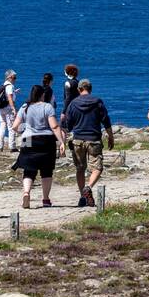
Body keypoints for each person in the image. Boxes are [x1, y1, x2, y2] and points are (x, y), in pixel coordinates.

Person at [12, 84, 66, 208]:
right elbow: (54, 126)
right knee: (46, 170)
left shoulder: (24, 107)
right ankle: (46, 199)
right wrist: (61, 142)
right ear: (42, 95)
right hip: (45, 139)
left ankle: (26, 193)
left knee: (28, 169)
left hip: (27, 139)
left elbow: (15, 127)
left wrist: (24, 130)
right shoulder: (48, 107)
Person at [62, 79, 114, 207]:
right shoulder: (97, 102)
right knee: (97, 167)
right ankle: (88, 188)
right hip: (93, 139)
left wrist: (62, 141)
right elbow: (105, 120)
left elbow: (67, 125)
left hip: (78, 139)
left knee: (80, 168)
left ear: (79, 89)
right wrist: (110, 136)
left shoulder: (73, 104)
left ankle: (82, 196)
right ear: (90, 89)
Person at [0, 69, 18, 151]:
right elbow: (10, 98)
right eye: (14, 77)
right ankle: (12, 146)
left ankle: (0, 146)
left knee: (2, 126)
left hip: (1, 109)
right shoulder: (10, 86)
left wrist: (15, 92)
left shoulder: (3, 85)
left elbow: (7, 95)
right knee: (11, 127)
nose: (15, 79)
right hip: (8, 109)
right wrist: (14, 109)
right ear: (10, 77)